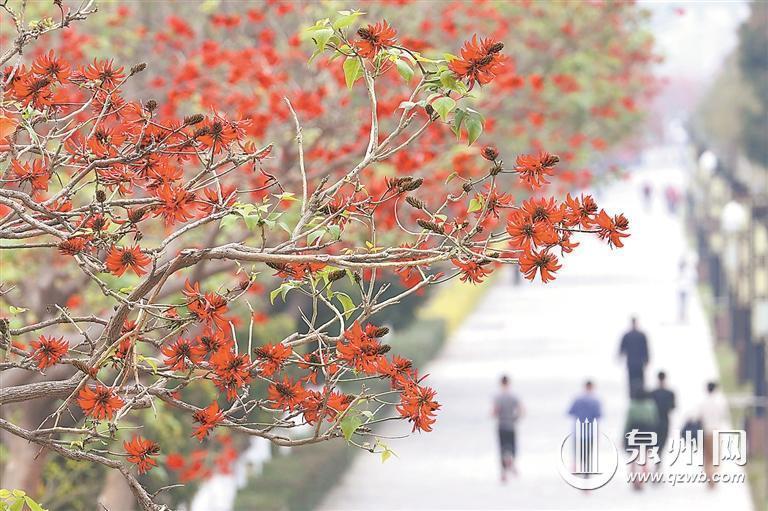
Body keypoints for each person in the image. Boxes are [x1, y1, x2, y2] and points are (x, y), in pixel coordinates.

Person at [624, 388, 659, 490]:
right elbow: (654, 420)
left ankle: (634, 480)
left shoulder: (632, 405)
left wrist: (624, 435)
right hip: (647, 431)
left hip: (634, 431)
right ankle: (642, 481)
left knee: (633, 458)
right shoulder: (650, 406)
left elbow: (628, 422)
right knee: (645, 459)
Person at [493, 375, 523, 482]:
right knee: (512, 446)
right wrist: (516, 418)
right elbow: (521, 410)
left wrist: (497, 416)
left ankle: (503, 474)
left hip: (501, 425)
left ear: (500, 383)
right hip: (511, 425)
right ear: (509, 383)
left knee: (502, 448)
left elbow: (494, 412)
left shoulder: (498, 397)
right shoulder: (513, 396)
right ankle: (511, 461)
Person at [700, 381, 729, 489]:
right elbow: (724, 416)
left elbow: (699, 417)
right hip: (717, 431)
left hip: (707, 432)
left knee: (707, 457)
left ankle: (709, 476)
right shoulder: (720, 402)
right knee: (716, 457)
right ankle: (714, 475)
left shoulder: (703, 403)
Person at [650, 371, 676, 469]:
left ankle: (657, 459)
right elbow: (673, 407)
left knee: (655, 442)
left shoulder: (653, 393)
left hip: (655, 420)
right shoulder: (670, 393)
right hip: (665, 420)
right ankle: (658, 459)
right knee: (662, 441)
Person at [619, 317, 649, 395]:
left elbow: (645, 348)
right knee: (635, 380)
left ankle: (638, 395)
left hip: (634, 363)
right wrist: (646, 359)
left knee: (636, 380)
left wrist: (646, 359)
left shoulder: (630, 335)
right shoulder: (639, 335)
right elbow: (622, 348)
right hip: (635, 363)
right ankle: (635, 395)